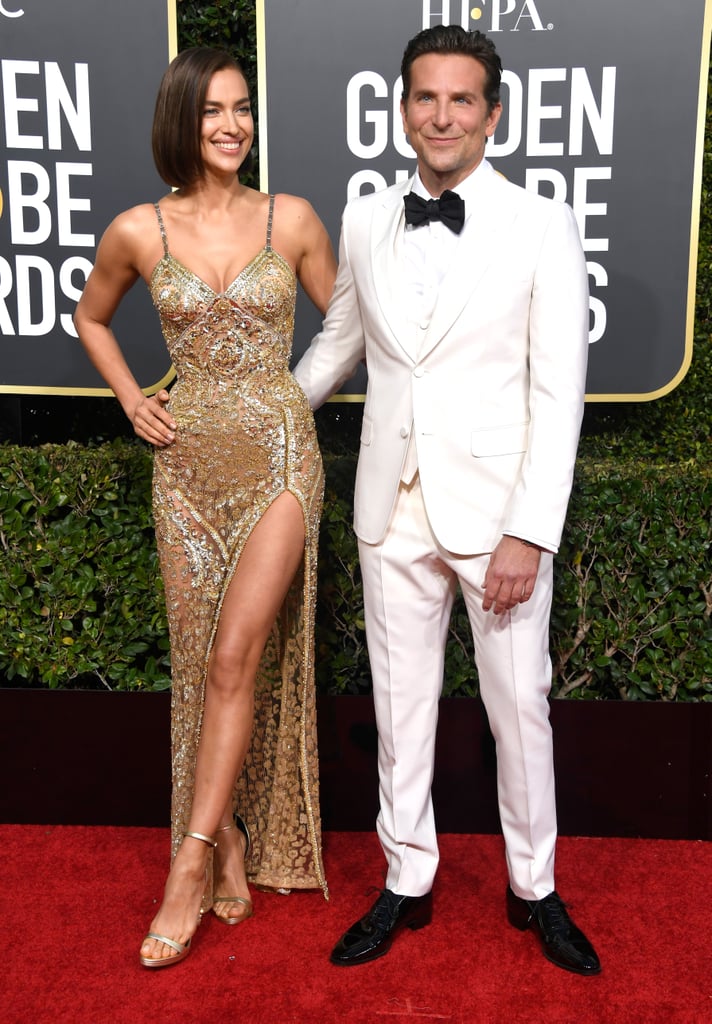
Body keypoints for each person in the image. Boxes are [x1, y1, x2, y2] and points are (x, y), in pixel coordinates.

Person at [294, 25, 600, 975]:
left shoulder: (540, 222)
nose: (441, 115)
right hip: (391, 508)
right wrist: (254, 412)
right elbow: (338, 347)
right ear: (401, 109)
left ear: (493, 114)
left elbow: (559, 393)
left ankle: (535, 887)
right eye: (425, 98)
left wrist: (528, 531)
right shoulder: (365, 220)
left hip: (497, 518)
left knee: (520, 707)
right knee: (401, 706)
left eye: (461, 99)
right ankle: (406, 878)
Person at [74, 46, 336, 968]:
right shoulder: (137, 229)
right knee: (198, 665)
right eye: (213, 111)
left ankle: (185, 866)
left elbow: (346, 328)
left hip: (277, 460)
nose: (231, 126)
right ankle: (223, 836)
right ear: (180, 121)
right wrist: (130, 395)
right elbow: (91, 316)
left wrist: (290, 400)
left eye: (242, 109)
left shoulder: (293, 218)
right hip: (184, 468)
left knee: (235, 656)